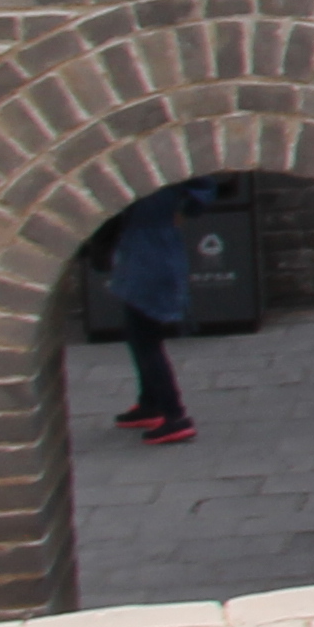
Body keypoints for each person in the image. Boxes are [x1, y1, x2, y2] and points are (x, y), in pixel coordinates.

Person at [97, 191, 198, 448]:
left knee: (146, 341)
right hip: (148, 254)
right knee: (138, 335)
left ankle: (175, 415)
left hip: (149, 260)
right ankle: (150, 402)